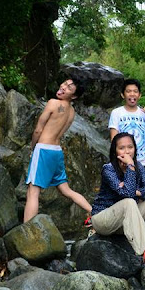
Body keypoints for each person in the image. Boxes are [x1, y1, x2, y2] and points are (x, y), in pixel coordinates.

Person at [24, 78, 92, 223]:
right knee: (66, 190)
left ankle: (27, 230)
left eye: (69, 88)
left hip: (44, 149)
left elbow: (38, 130)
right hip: (56, 151)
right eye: (65, 83)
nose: (63, 87)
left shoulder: (53, 103)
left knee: (33, 192)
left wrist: (33, 147)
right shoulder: (72, 112)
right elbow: (61, 133)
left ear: (74, 96)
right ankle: (94, 211)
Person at [90, 133, 145, 255]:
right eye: (122, 148)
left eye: (130, 147)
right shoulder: (108, 169)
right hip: (103, 219)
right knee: (129, 202)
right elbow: (127, 194)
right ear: (115, 151)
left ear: (135, 149)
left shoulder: (139, 166)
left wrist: (138, 192)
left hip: (125, 221)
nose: (127, 152)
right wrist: (130, 167)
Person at [108, 79, 145, 172]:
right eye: (128, 91)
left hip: (143, 162)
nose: (132, 94)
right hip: (124, 162)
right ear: (123, 95)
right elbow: (114, 140)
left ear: (139, 95)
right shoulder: (116, 113)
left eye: (135, 91)